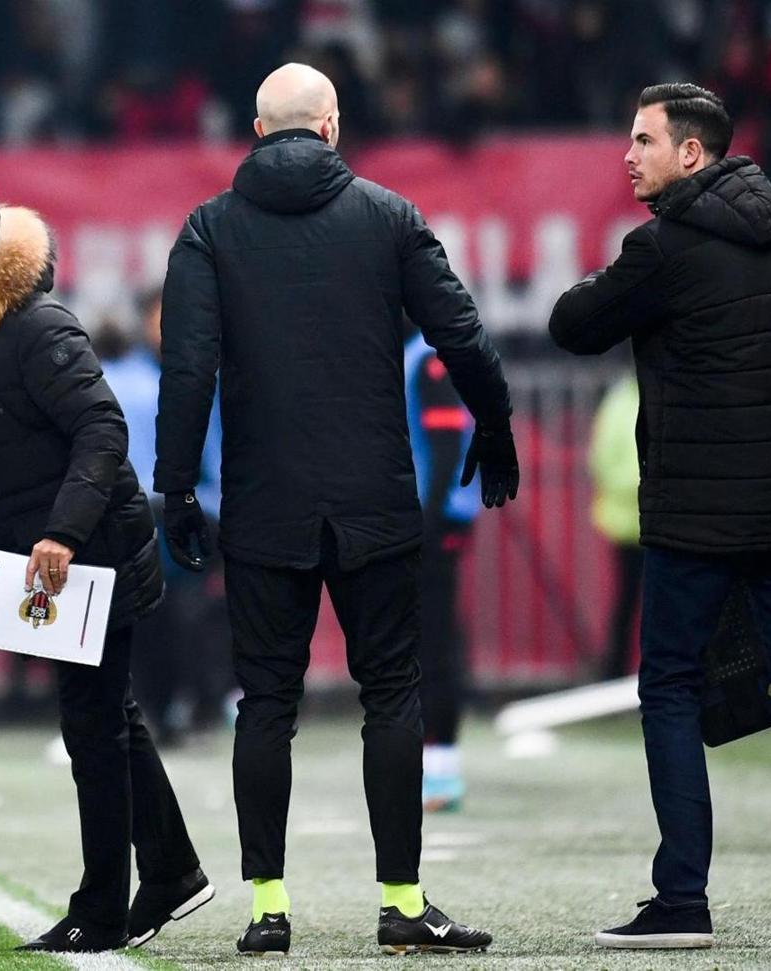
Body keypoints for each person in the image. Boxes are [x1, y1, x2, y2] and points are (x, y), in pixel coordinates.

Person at [155, 62, 517, 957]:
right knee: (392, 693)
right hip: (375, 500)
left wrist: (174, 487)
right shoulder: (389, 216)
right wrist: (497, 422)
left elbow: (188, 369)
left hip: (265, 503)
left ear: (256, 127)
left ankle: (268, 909)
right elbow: (460, 331)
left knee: (265, 704)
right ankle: (402, 902)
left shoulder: (209, 229)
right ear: (330, 127)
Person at [549, 83, 771, 950]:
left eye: (643, 139)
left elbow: (571, 324)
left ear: (692, 153)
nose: (628, 154)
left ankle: (683, 901)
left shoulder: (662, 249)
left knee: (671, 689)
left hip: (693, 518)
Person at [0, 179, 209, 953]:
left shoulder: (37, 326)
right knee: (108, 721)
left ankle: (102, 911)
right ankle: (169, 869)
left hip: (91, 553)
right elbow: (5, 439)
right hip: (57, 560)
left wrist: (63, 533)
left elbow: (101, 431)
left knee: (93, 728)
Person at [102, 288, 231, 745]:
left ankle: (194, 705)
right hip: (139, 516)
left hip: (195, 515)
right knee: (145, 621)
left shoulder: (204, 382)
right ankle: (151, 710)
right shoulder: (119, 380)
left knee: (191, 616)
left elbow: (217, 456)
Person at [403, 335, 481, 813]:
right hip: (425, 520)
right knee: (424, 640)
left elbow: (447, 443)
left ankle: (443, 769)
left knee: (432, 643)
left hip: (432, 524)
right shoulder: (411, 357)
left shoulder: (426, 360)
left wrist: (427, 521)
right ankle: (433, 764)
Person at [587, 372, 642, 680]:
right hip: (630, 523)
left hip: (635, 519)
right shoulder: (621, 401)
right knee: (630, 603)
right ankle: (615, 678)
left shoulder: (619, 401)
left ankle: (617, 677)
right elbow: (602, 460)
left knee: (630, 603)